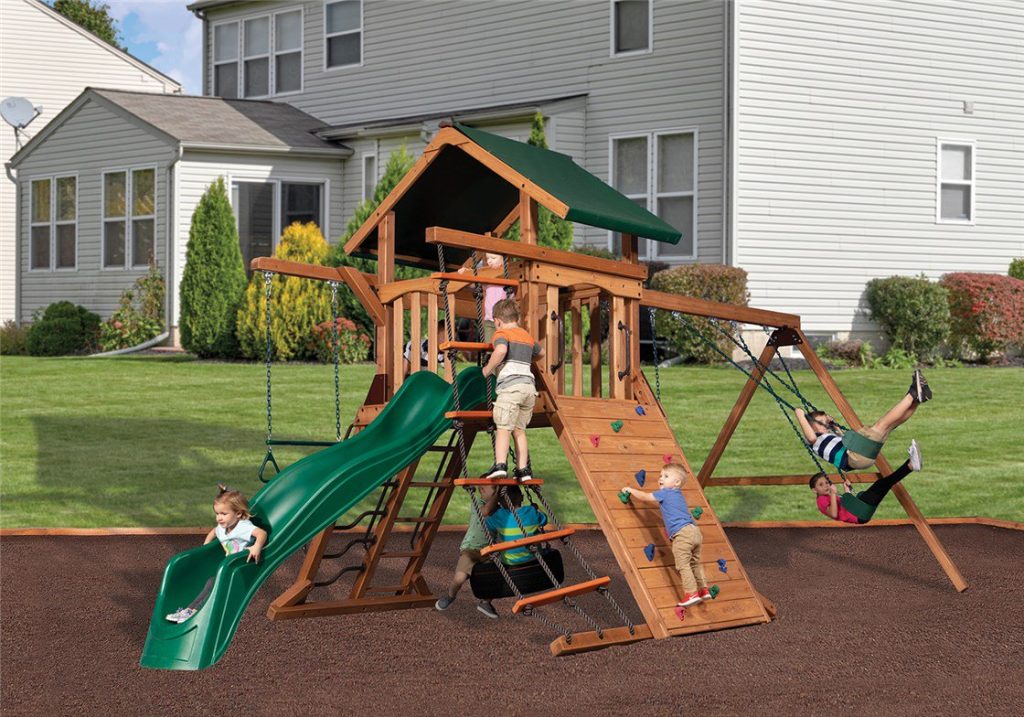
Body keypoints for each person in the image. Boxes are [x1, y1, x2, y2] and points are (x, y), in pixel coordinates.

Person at [165, 484, 268, 623]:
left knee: (212, 583)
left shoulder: (243, 527)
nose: (219, 518)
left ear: (238, 514)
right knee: (211, 583)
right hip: (229, 567)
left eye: (224, 514)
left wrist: (257, 546)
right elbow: (214, 532)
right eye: (217, 513)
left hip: (242, 568)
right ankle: (191, 610)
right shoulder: (223, 526)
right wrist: (206, 545)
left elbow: (262, 533)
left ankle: (191, 612)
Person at [795, 369, 932, 471]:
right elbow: (811, 437)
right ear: (811, 426)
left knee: (890, 425)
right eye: (822, 423)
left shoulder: (825, 438)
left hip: (859, 458)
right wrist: (800, 415)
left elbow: (843, 441)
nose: (825, 426)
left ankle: (916, 400)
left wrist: (834, 427)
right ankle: (912, 394)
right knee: (881, 425)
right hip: (855, 458)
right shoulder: (813, 440)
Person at [622, 463, 709, 607]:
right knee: (694, 563)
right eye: (661, 476)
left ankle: (691, 593)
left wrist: (630, 489)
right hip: (694, 531)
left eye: (666, 476)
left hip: (683, 534)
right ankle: (703, 590)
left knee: (683, 564)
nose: (661, 478)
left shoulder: (666, 493)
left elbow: (645, 496)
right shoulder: (678, 495)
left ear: (677, 483)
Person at [480, 298, 542, 481]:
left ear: (497, 321)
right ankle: (524, 470)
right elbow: (541, 353)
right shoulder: (526, 336)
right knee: (519, 429)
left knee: (503, 427)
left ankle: (500, 464)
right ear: (517, 318)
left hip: (511, 388)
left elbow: (499, 351)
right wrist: (525, 361)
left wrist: (488, 368)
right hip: (529, 389)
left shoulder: (501, 334)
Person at [811, 440, 922, 524]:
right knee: (883, 484)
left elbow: (844, 507)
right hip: (859, 513)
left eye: (826, 482)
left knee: (884, 484)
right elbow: (834, 514)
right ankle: (910, 465)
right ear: (814, 490)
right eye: (821, 484)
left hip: (859, 511)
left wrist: (847, 491)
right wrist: (834, 494)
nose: (826, 486)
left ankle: (910, 465)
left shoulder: (827, 496)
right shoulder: (821, 500)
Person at [435, 484, 500, 619]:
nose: (497, 494)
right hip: (471, 549)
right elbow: (486, 511)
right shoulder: (478, 503)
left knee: (497, 578)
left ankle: (485, 602)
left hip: (489, 551)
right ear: (482, 490)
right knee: (459, 578)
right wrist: (499, 491)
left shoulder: (500, 509)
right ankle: (450, 596)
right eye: (495, 490)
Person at [484, 485, 548, 567]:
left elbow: (486, 524)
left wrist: (494, 509)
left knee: (499, 534)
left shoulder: (499, 515)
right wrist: (536, 508)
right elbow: (544, 520)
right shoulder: (531, 511)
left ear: (501, 501)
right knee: (536, 533)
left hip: (509, 561)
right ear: (522, 497)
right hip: (534, 559)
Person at [458, 252, 506, 342]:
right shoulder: (487, 276)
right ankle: (489, 356)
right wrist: (464, 274)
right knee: (489, 344)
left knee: (502, 344)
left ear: (503, 260)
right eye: (488, 259)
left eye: (493, 258)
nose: (489, 261)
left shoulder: (507, 274)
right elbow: (473, 285)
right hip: (489, 318)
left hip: (503, 319)